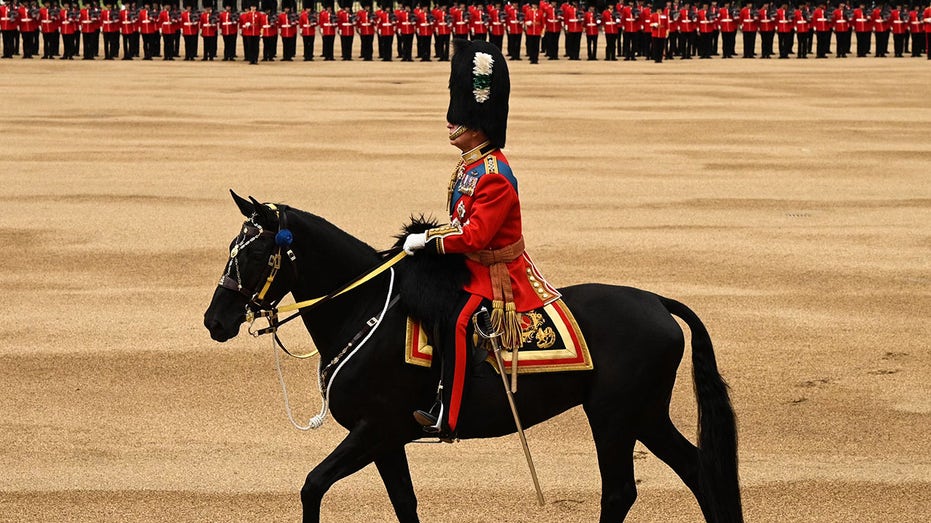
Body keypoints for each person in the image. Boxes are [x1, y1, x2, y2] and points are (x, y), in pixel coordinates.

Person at [404, 39, 560, 436]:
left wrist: (430, 242)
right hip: (472, 261)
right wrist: (429, 236)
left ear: (478, 126)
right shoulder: (470, 164)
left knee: (456, 320)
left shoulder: (493, 175)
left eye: (459, 119)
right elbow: (461, 222)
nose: (450, 124)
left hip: (495, 272)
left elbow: (475, 236)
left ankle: (449, 414)